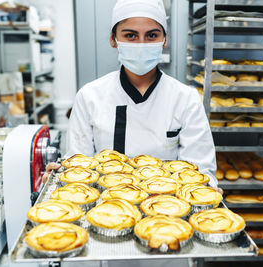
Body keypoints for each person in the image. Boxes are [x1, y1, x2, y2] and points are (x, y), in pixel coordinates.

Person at [43, 0, 221, 194]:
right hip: (106, 210)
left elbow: (200, 170)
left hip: (168, 208)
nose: (141, 44)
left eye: (152, 35)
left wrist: (207, 189)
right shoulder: (90, 96)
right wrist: (58, 181)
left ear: (165, 40)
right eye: (130, 35)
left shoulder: (185, 99)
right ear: (113, 39)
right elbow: (79, 168)